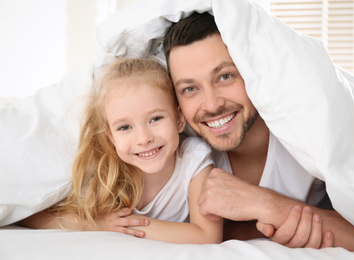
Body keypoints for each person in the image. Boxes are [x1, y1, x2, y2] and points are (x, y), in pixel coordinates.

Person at [162, 12, 354, 254]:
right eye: (189, 89)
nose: (211, 104)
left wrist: (269, 205)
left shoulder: (307, 129)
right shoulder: (179, 150)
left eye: (225, 76)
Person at [18, 58, 223, 244]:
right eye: (125, 127)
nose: (144, 139)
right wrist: (94, 225)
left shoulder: (193, 159)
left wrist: (126, 225)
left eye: (155, 119)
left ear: (179, 119)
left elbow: (207, 235)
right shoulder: (105, 169)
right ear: (110, 136)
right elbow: (30, 215)